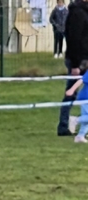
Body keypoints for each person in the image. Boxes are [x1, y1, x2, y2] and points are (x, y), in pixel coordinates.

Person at [57, 0, 88, 135]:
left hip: (85, 58)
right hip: (79, 60)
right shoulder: (77, 13)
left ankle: (82, 125)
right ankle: (64, 125)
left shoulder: (84, 12)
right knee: (71, 92)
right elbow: (73, 39)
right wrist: (75, 65)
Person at [65, 56, 88, 138]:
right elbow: (81, 80)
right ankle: (75, 120)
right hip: (86, 97)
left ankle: (80, 136)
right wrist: (71, 90)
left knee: (86, 118)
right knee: (86, 117)